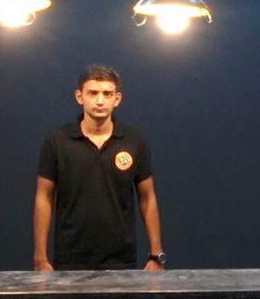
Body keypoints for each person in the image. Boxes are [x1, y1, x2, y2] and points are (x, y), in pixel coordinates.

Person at [34, 64, 165, 271]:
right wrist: (40, 258)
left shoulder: (134, 141)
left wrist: (156, 255)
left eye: (107, 94)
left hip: (121, 261)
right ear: (79, 97)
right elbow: (44, 197)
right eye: (93, 93)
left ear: (117, 99)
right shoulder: (56, 141)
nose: (100, 100)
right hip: (70, 260)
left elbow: (148, 198)